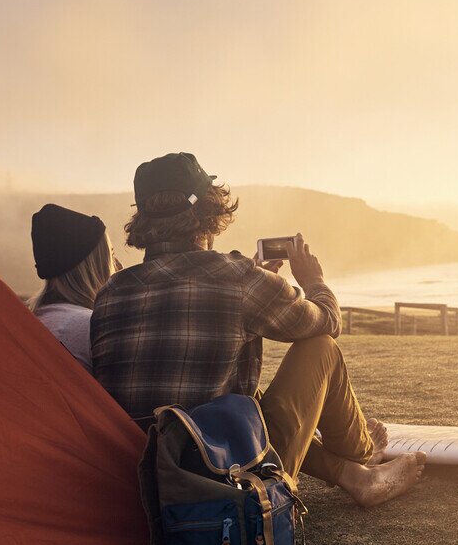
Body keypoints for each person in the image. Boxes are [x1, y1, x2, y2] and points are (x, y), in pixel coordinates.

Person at [90, 153, 426, 507]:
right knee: (320, 347)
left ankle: (352, 475)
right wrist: (314, 281)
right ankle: (364, 453)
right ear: (210, 210)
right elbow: (327, 319)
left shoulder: (110, 292)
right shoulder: (236, 278)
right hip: (232, 481)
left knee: (244, 401)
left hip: (145, 486)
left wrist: (254, 284)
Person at [28, 203, 118, 372]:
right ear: (94, 266)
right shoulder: (89, 326)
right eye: (110, 256)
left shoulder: (37, 320)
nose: (117, 266)